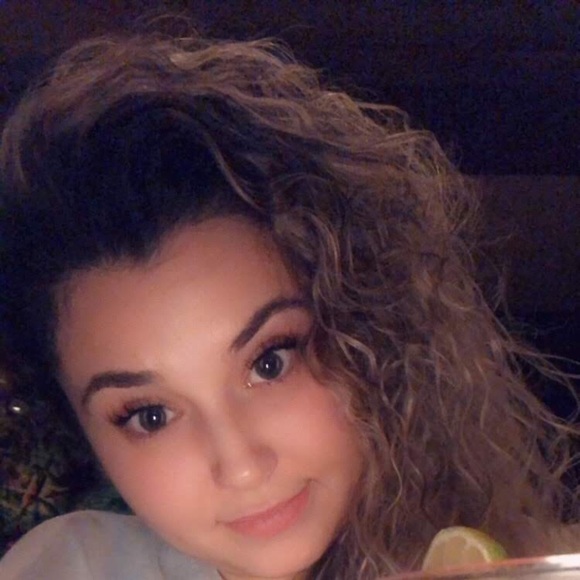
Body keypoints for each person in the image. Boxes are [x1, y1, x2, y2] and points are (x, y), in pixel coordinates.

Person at [0, 31, 578, 580]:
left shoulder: (521, 562)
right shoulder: (72, 568)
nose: (242, 466)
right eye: (150, 416)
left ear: (367, 328)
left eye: (269, 362)